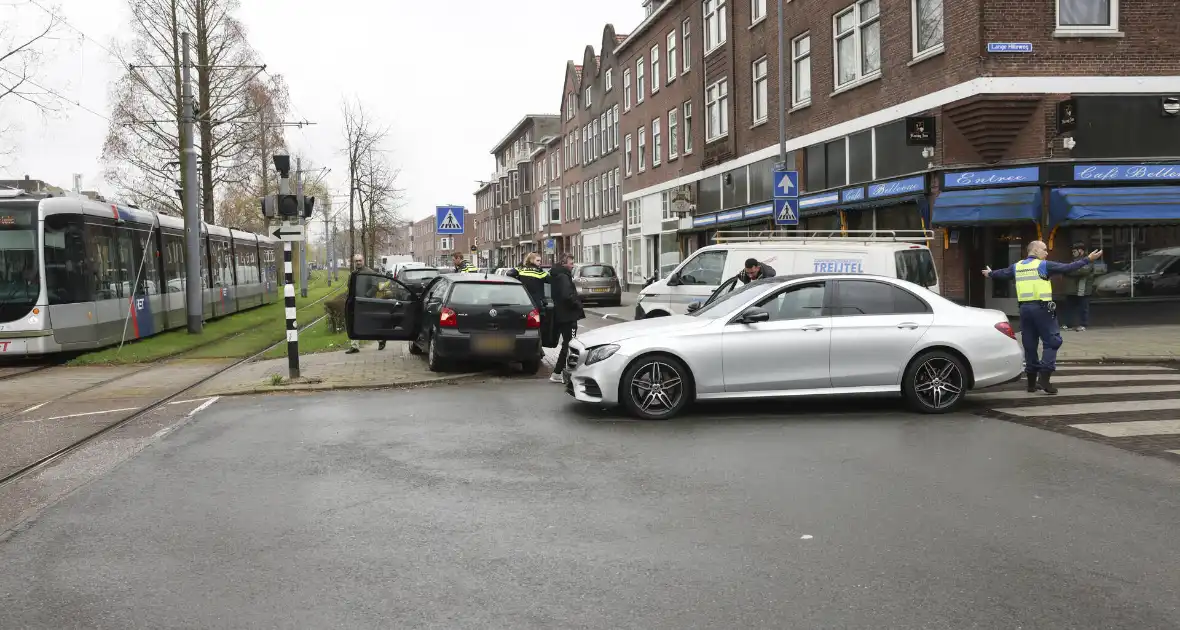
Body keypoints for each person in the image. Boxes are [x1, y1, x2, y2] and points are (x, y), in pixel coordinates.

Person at [983, 240, 1102, 394]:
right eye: (1044, 250)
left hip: (1025, 310)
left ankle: (1031, 384)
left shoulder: (1017, 266)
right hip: (1043, 309)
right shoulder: (1043, 265)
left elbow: (1003, 273)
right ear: (1035, 250)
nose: (1047, 253)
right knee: (1052, 341)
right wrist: (1088, 259)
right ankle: (1044, 379)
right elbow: (1068, 268)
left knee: (1030, 345)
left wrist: (990, 273)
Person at [548, 253, 585, 383]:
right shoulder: (563, 277)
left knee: (568, 343)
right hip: (568, 315)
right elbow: (567, 295)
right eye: (571, 263)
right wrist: (577, 304)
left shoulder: (557, 275)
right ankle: (559, 372)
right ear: (564, 263)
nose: (572, 265)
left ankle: (559, 372)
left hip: (562, 314)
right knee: (570, 344)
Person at [345, 254, 385, 354]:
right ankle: (354, 346)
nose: (358, 262)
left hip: (367, 302)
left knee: (369, 323)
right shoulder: (353, 274)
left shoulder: (369, 272)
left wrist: (367, 296)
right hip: (355, 302)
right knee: (354, 323)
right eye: (356, 261)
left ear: (363, 261)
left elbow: (375, 286)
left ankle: (381, 339)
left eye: (360, 260)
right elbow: (349, 287)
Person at [1061, 241, 1095, 332]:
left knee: (1083, 308)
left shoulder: (1088, 260)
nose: (1073, 253)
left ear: (1081, 251)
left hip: (1082, 289)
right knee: (1069, 308)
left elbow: (1083, 271)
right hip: (1072, 289)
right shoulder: (1073, 261)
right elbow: (1065, 270)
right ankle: (1068, 324)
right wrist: (1070, 270)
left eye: (1074, 251)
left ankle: (1083, 324)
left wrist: (1070, 270)